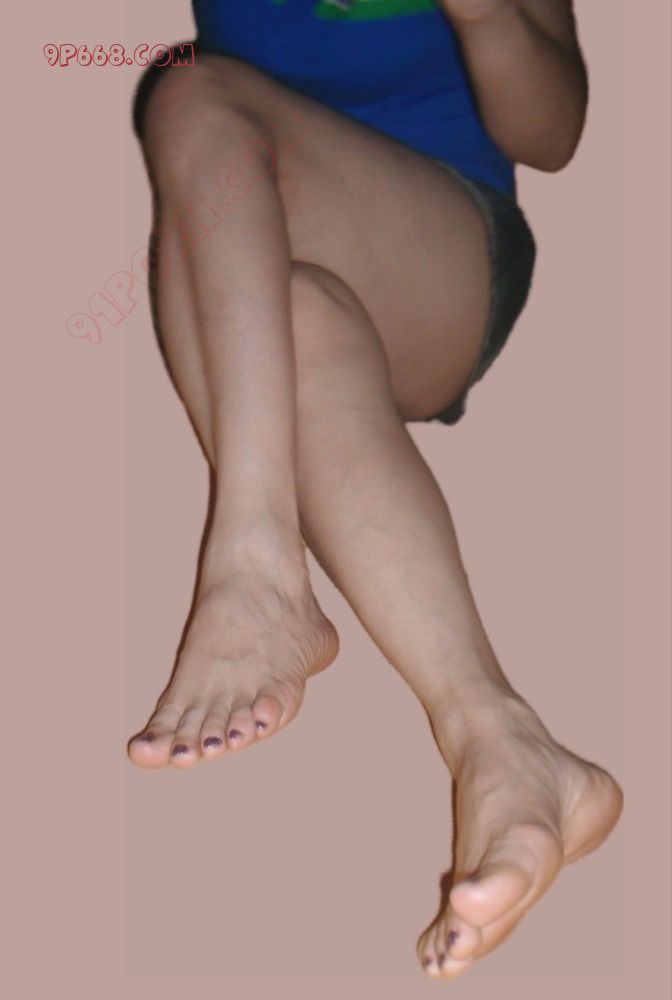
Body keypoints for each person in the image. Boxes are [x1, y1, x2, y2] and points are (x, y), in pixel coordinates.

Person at [126, 0, 623, 980]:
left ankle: (254, 561)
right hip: (247, 241)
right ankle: (506, 747)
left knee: (190, 97)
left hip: (439, 242)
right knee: (291, 312)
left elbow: (554, 135)